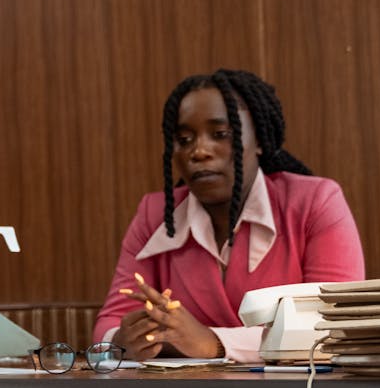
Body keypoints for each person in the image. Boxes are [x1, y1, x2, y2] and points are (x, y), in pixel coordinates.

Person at [92, 69, 365, 363]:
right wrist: (123, 341)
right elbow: (109, 323)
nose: (199, 151)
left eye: (220, 134)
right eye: (184, 140)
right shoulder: (155, 214)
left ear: (259, 140)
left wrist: (215, 343)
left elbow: (333, 324)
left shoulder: (317, 202)